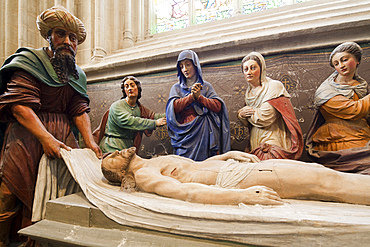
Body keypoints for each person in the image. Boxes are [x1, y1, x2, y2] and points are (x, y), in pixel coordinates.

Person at [0, 6, 102, 245]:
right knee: (9, 193)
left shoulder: (77, 73)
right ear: (48, 36)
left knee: (62, 194)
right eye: (60, 34)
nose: (67, 41)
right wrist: (45, 138)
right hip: (28, 135)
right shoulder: (29, 60)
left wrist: (90, 142)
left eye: (73, 38)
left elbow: (78, 109)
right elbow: (19, 105)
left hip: (64, 137)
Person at [102, 147, 370, 206]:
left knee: (319, 172)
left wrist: (225, 155)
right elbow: (188, 192)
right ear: (119, 172)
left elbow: (196, 166)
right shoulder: (146, 175)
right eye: (112, 156)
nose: (117, 151)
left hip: (235, 169)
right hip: (237, 181)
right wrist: (241, 195)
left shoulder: (155, 159)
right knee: (325, 183)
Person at [306, 42, 370, 174]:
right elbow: (354, 110)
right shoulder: (326, 91)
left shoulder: (360, 85)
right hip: (338, 138)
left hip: (363, 134)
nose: (341, 65)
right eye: (336, 63)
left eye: (344, 60)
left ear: (357, 60)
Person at [166, 50, 230, 161]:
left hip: (203, 130)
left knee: (205, 163)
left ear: (195, 65)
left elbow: (218, 106)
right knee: (183, 164)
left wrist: (200, 98)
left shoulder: (205, 86)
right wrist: (191, 97)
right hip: (184, 132)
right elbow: (173, 108)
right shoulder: (176, 88)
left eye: (188, 65)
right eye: (181, 66)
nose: (185, 69)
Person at [237, 52, 303, 160]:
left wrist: (245, 113)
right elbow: (248, 123)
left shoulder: (274, 86)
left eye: (253, 68)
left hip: (273, 136)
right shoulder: (248, 93)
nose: (249, 72)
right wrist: (241, 115)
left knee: (273, 169)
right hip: (256, 138)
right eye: (246, 69)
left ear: (261, 69)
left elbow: (265, 117)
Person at [97, 76, 166, 153]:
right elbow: (129, 121)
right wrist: (155, 123)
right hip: (112, 147)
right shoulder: (117, 106)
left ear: (138, 88)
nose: (129, 88)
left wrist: (171, 113)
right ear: (124, 91)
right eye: (126, 86)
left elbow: (153, 116)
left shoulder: (139, 108)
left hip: (128, 147)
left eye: (132, 85)